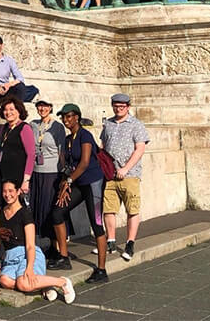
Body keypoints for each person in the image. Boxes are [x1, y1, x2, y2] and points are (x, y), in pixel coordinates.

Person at [0, 179, 76, 303]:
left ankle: (62, 282)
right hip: (10, 258)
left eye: (11, 191)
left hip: (27, 255)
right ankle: (42, 287)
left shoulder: (25, 214)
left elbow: (30, 245)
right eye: (4, 191)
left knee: (23, 283)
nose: (8, 195)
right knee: (4, 281)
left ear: (18, 192)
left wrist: (29, 267)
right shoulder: (0, 211)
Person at [47, 103, 107, 281]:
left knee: (96, 223)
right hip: (77, 182)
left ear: (77, 117)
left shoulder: (85, 136)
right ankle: (64, 257)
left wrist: (69, 181)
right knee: (57, 212)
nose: (66, 120)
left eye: (70, 116)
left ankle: (102, 269)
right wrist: (65, 182)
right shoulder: (68, 139)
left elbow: (85, 162)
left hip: (93, 182)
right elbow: (69, 164)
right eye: (64, 117)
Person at [101, 92, 150, 262]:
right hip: (110, 174)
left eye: (122, 106)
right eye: (116, 106)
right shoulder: (108, 124)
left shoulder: (136, 124)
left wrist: (125, 168)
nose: (119, 108)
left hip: (130, 174)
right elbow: (103, 146)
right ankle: (111, 240)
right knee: (109, 209)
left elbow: (140, 148)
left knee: (132, 209)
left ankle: (130, 242)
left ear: (128, 107)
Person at [29, 100, 66, 240]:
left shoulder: (57, 127)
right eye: (39, 105)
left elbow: (61, 151)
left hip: (51, 172)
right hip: (36, 172)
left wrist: (63, 173)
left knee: (49, 208)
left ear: (50, 107)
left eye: (45, 106)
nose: (42, 108)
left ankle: (55, 244)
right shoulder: (33, 124)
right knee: (37, 208)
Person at [0, 36, 39, 116]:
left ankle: (18, 113)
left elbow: (20, 78)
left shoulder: (9, 60)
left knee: (20, 86)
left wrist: (8, 85)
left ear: (1, 46)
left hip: (4, 90)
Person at [0, 97, 35, 204]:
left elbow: (31, 155)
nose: (8, 112)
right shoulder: (4, 128)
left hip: (18, 177)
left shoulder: (24, 128)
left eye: (12, 109)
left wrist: (26, 180)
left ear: (18, 111)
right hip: (4, 176)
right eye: (6, 110)